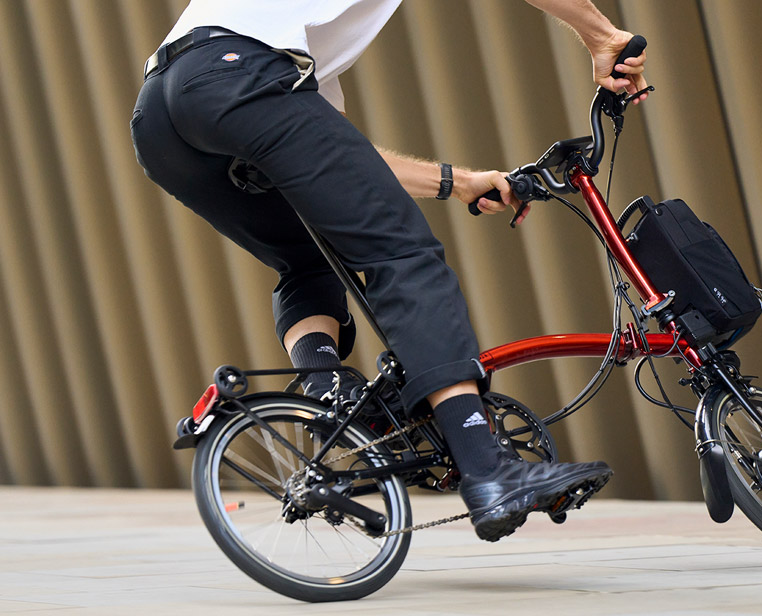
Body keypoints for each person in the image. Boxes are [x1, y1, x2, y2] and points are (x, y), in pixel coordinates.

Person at [132, 0, 648, 542]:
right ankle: (487, 466)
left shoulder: (292, 49)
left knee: (308, 261)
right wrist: (602, 34)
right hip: (237, 73)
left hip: (159, 117)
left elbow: (349, 161)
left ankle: (329, 400)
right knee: (401, 255)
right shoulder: (269, 55)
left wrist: (461, 181)